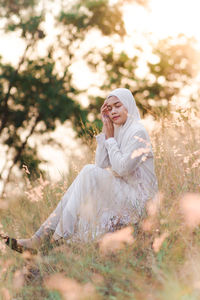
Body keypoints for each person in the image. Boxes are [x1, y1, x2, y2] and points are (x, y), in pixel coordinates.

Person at [2, 88, 158, 254]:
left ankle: (51, 239)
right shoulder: (117, 131)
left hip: (140, 201)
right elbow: (101, 164)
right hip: (124, 193)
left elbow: (122, 168)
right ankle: (42, 238)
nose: (113, 111)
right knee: (86, 177)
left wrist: (110, 139)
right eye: (109, 109)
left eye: (117, 106)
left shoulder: (137, 132)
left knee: (88, 172)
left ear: (128, 105)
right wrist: (106, 131)